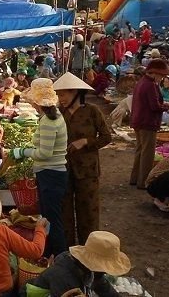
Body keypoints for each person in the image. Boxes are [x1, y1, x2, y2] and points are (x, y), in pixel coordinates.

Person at [9, 78, 69, 257]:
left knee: (52, 220)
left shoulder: (49, 122)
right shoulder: (51, 116)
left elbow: (45, 154)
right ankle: (47, 252)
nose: (32, 105)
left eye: (33, 101)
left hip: (52, 175)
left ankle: (61, 258)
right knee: (46, 218)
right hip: (47, 173)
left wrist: (22, 152)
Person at [54, 72, 112, 246]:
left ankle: (90, 249)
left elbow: (106, 137)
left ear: (75, 93)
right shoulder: (58, 114)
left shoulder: (92, 111)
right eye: (58, 94)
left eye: (63, 94)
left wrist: (86, 141)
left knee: (88, 211)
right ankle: (69, 249)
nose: (60, 98)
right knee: (64, 211)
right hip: (63, 168)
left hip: (87, 170)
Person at [24, 231, 131, 297]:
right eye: (105, 267)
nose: (105, 271)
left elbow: (104, 288)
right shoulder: (64, 278)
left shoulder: (90, 269)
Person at [130, 59, 169, 190]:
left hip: (139, 120)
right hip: (147, 122)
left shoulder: (142, 82)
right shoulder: (150, 85)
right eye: (162, 75)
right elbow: (154, 106)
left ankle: (135, 178)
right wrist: (168, 107)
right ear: (155, 73)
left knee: (140, 150)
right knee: (147, 153)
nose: (162, 78)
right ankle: (144, 181)